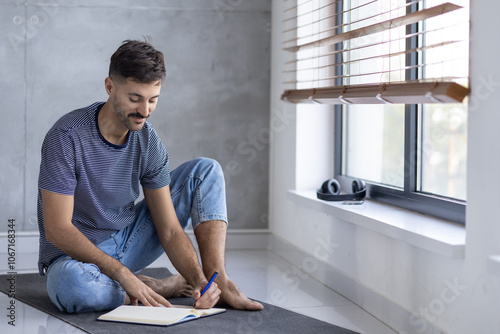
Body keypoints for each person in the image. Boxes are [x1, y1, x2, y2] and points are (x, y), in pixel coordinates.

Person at [37, 38, 264, 313]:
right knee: (70, 285)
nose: (144, 111)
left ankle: (220, 283)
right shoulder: (66, 137)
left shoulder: (148, 141)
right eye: (135, 99)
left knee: (206, 171)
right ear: (110, 87)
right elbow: (57, 229)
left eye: (153, 100)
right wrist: (122, 273)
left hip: (128, 240)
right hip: (75, 259)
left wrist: (200, 283)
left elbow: (168, 229)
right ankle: (151, 287)